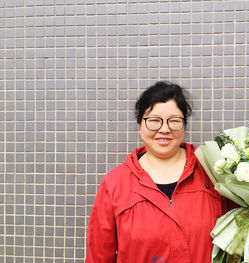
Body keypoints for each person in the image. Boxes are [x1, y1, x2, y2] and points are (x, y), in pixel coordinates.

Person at [85, 81, 232, 263]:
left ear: (184, 125)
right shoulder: (115, 183)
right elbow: (98, 256)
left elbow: (238, 240)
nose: (164, 129)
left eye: (174, 121)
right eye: (154, 121)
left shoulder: (212, 172)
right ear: (140, 125)